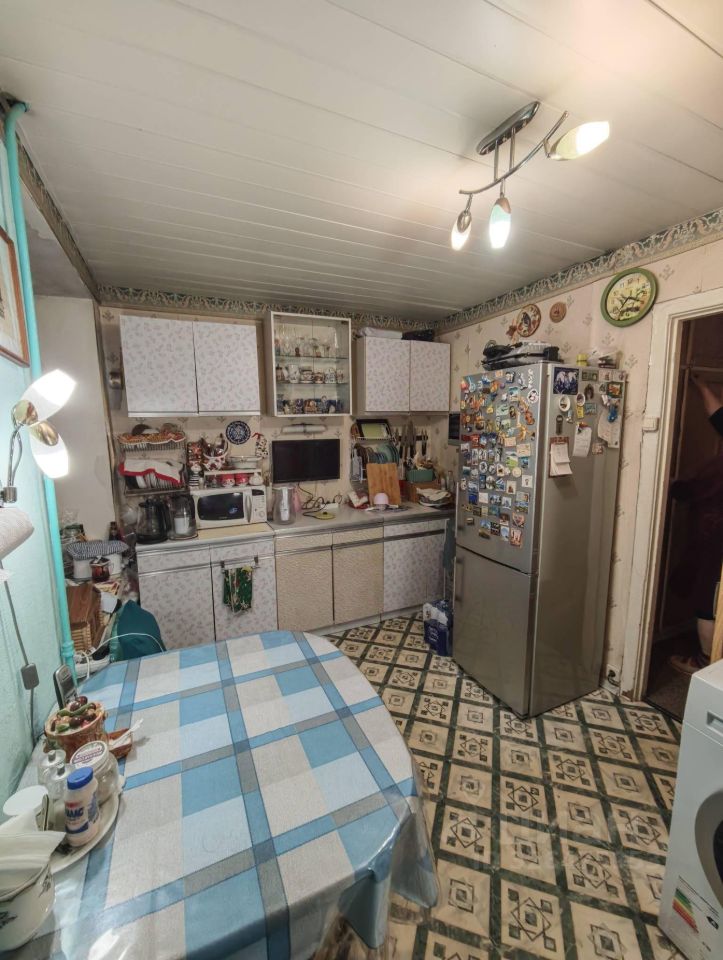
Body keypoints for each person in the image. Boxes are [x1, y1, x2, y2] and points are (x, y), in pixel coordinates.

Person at [669, 373, 723, 674]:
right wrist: (701, 385)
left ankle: (704, 662)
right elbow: (718, 415)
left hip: (717, 541)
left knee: (708, 599)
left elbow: (697, 490)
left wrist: (672, 486)